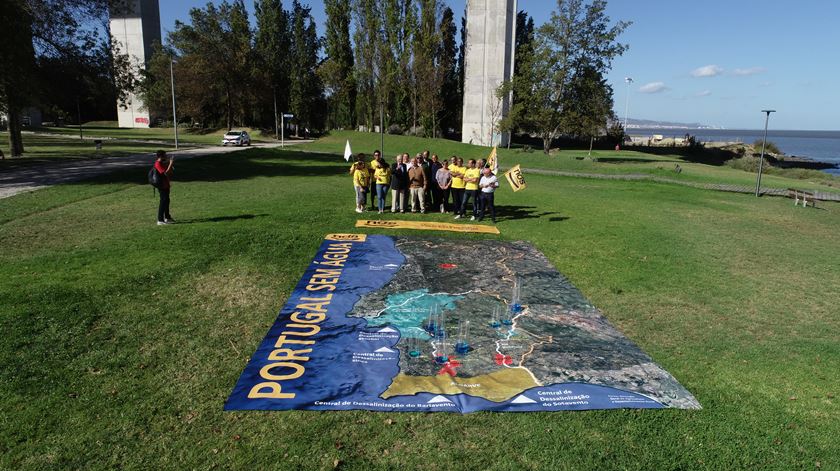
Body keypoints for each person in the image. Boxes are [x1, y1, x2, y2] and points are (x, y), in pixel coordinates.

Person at [154, 150, 175, 225]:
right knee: (163, 201)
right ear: (161, 156)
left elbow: (170, 171)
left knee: (166, 201)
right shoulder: (157, 164)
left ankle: (167, 217)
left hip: (166, 185)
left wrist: (170, 164)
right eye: (165, 155)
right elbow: (165, 173)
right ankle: (160, 220)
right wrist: (170, 163)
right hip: (161, 186)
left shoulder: (162, 163)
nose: (166, 156)